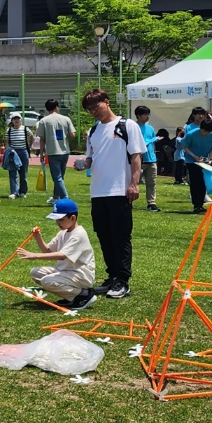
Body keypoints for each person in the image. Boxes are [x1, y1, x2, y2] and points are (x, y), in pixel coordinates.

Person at [79, 88, 144, 299]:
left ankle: (122, 280)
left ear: (106, 102)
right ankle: (112, 277)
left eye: (95, 106)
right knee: (104, 235)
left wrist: (134, 184)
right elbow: (91, 158)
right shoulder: (93, 131)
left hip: (119, 190)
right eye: (89, 109)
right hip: (98, 192)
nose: (93, 112)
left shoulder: (127, 125)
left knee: (121, 236)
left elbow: (136, 157)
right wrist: (83, 163)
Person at [14, 198, 96, 309]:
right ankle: (71, 295)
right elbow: (47, 250)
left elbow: (62, 255)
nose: (57, 223)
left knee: (47, 281)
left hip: (81, 275)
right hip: (66, 271)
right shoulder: (63, 232)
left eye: (61, 219)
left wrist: (35, 256)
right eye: (56, 220)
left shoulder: (79, 234)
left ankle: (83, 295)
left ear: (73, 218)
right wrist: (38, 237)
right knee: (35, 273)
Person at [36, 99, 76, 202]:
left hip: (53, 152)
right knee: (60, 177)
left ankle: (65, 198)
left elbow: (42, 139)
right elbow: (72, 135)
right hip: (65, 151)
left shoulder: (44, 121)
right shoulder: (65, 119)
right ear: (56, 107)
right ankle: (55, 197)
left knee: (57, 177)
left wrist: (41, 153)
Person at [181, 107, 212, 213]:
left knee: (203, 182)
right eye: (203, 131)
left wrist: (210, 159)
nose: (205, 133)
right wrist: (194, 156)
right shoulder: (191, 133)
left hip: (204, 162)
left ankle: (201, 204)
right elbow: (185, 146)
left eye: (208, 132)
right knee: (195, 182)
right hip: (191, 160)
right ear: (200, 128)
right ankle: (196, 205)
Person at [132, 106, 160, 212]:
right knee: (134, 181)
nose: (147, 117)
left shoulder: (150, 128)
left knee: (151, 183)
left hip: (151, 160)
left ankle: (151, 203)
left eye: (148, 114)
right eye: (145, 114)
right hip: (138, 159)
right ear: (138, 116)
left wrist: (154, 155)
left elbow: (153, 144)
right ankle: (129, 201)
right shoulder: (133, 127)